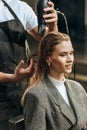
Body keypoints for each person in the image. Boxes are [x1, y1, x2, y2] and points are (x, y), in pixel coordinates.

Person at [0, 0, 58, 129]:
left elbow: (49, 42)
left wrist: (52, 26)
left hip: (23, 93)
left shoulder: (19, 7)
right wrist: (12, 78)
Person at [23, 32, 87, 130]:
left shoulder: (78, 88)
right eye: (63, 55)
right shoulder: (36, 95)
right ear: (48, 59)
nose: (70, 59)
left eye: (71, 53)